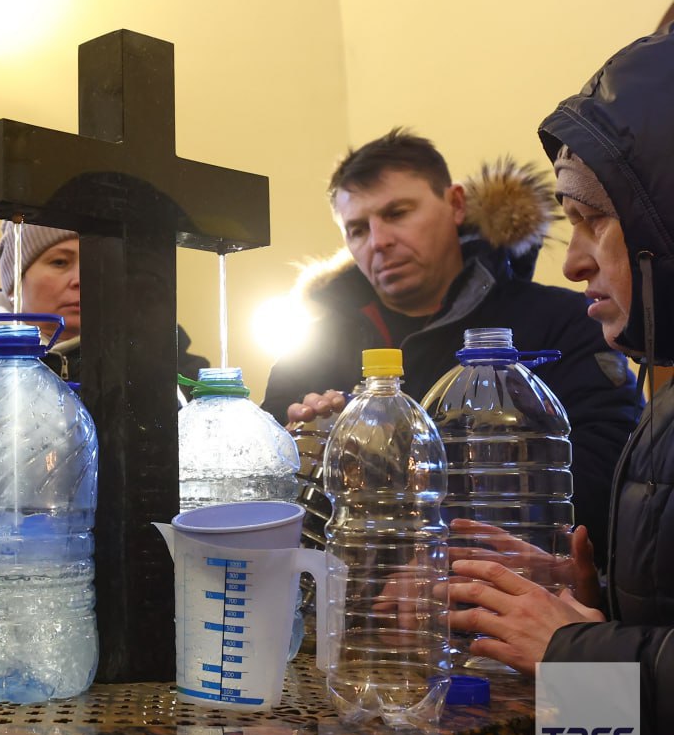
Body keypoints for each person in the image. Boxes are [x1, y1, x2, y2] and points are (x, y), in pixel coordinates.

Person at [449, 25, 672, 735]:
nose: (574, 261)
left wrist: (569, 649)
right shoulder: (665, 406)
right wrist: (594, 606)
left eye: (594, 219)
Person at [261, 131, 642, 565]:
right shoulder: (311, 349)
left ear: (456, 204)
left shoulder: (565, 321)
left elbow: (612, 472)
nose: (379, 241)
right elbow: (264, 504)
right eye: (357, 229)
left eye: (397, 213)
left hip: (509, 584)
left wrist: (422, 507)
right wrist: (295, 452)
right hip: (347, 592)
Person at [0, 221, 210, 560]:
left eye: (96, 262)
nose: (80, 278)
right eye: (59, 262)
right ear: (14, 284)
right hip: (8, 578)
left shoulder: (173, 375)